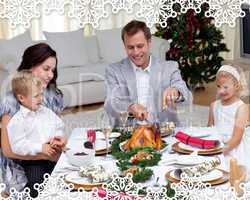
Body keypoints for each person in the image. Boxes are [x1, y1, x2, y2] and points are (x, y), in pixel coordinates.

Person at [0, 43, 65, 196]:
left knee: (69, 177)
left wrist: (60, 142)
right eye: (46, 69)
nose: (50, 75)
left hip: (47, 155)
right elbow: (8, 150)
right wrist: (46, 154)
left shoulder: (52, 95)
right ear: (30, 66)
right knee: (38, 183)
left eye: (53, 70)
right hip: (21, 161)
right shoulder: (11, 100)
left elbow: (59, 127)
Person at [104, 20, 192, 126]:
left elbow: (187, 97)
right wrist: (130, 107)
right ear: (124, 46)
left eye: (140, 46)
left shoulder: (169, 67)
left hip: (165, 133)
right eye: (130, 47)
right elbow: (110, 104)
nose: (136, 52)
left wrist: (176, 92)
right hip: (128, 134)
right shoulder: (113, 70)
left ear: (149, 42)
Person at [207, 65, 250, 169]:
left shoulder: (241, 108)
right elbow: (209, 129)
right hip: (217, 143)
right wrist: (209, 147)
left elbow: (236, 138)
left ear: (236, 86)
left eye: (225, 87)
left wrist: (221, 151)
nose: (221, 91)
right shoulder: (214, 105)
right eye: (218, 86)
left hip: (233, 146)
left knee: (230, 170)